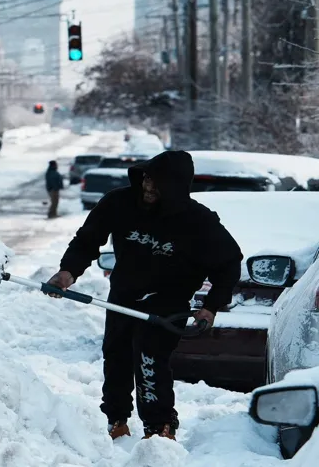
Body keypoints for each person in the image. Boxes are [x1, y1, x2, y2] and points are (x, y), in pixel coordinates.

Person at [45, 150, 242, 441]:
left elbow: (229, 263)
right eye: (147, 179)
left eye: (157, 184)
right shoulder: (119, 203)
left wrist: (211, 306)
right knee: (116, 358)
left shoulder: (197, 221)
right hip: (124, 295)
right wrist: (67, 272)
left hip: (168, 302)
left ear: (175, 188)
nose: (148, 188)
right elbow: (88, 239)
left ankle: (159, 427)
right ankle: (116, 419)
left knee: (151, 359)